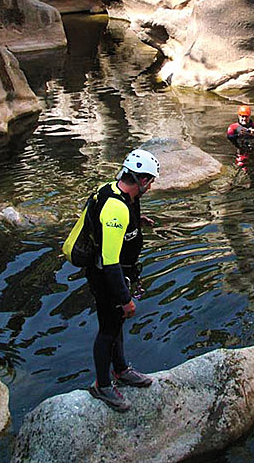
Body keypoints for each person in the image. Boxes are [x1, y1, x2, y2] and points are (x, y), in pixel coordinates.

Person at [87, 148, 160, 412]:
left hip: (119, 272)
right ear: (141, 180)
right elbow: (110, 261)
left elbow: (103, 220)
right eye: (150, 181)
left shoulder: (116, 190)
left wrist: (135, 221)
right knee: (108, 329)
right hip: (108, 276)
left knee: (116, 324)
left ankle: (120, 369)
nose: (150, 187)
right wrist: (125, 298)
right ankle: (102, 385)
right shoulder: (116, 208)